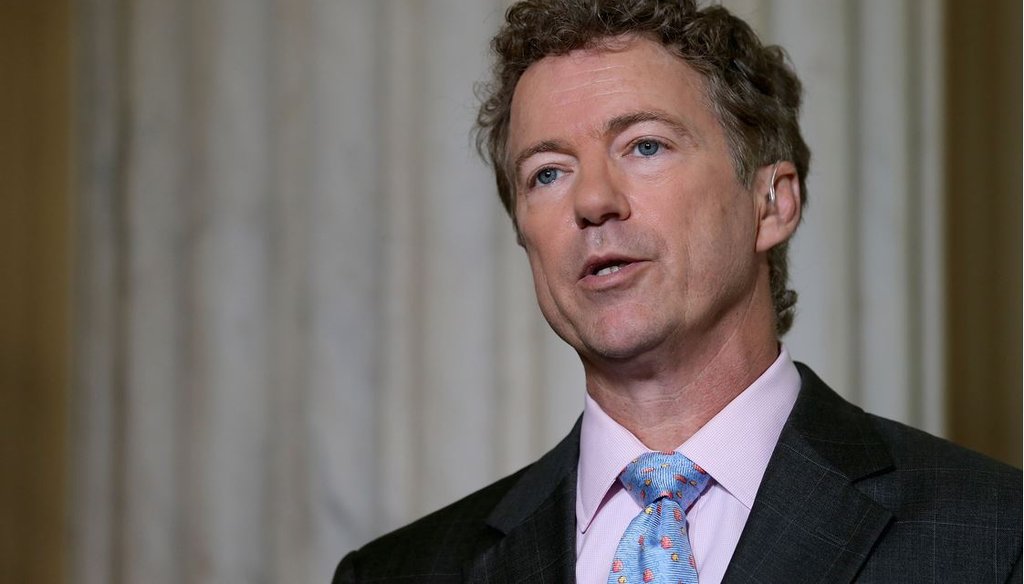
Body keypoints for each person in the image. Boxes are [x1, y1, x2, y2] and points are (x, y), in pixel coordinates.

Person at [333, 1, 1021, 582]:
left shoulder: (996, 537)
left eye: (646, 146)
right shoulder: (403, 571)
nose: (593, 201)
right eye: (547, 173)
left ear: (771, 204)